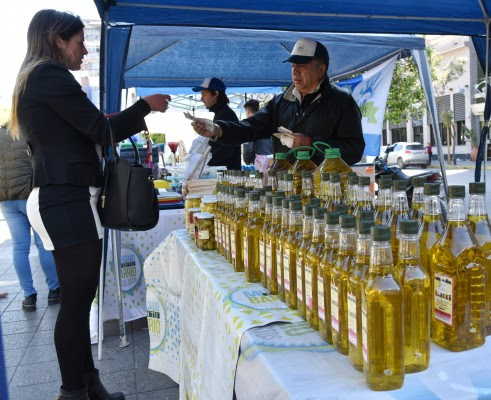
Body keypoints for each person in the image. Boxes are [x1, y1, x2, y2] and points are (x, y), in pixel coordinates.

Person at [9, 9, 170, 400]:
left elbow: (89, 126)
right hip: (64, 198)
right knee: (76, 304)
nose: (84, 51)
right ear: (57, 40)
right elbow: (101, 129)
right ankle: (73, 392)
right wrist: (145, 106)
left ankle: (88, 385)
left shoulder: (37, 78)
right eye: (79, 42)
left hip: (65, 197)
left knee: (80, 302)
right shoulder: (49, 75)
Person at [192, 38, 365, 166]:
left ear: (321, 69)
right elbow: (251, 127)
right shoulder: (281, 102)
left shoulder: (341, 102)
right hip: (285, 189)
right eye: (293, 66)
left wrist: (309, 143)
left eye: (302, 66)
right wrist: (218, 130)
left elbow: (354, 150)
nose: (295, 71)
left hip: (324, 190)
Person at [0, 126, 60, 310]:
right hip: (30, 195)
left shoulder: (1, 134)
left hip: (6, 199)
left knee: (19, 247)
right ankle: (54, 290)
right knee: (43, 243)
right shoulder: (29, 130)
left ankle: (29, 296)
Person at [192, 77, 241, 170]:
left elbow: (225, 151)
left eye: (203, 93)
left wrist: (203, 162)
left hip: (228, 175)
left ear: (215, 93)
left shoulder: (226, 115)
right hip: (224, 172)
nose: (201, 98)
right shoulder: (221, 113)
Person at [241, 99, 273, 165]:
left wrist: (247, 161)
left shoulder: (249, 124)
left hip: (258, 161)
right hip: (271, 159)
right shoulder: (267, 121)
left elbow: (248, 146)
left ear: (247, 111)